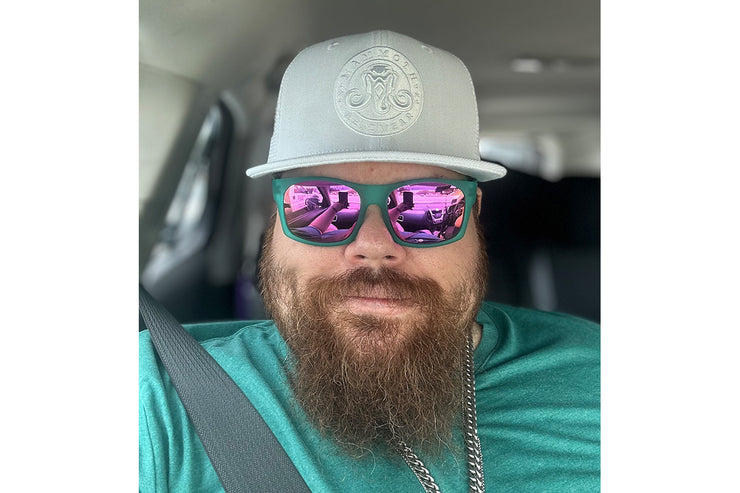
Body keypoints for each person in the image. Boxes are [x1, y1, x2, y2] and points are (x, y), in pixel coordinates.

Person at [140, 30, 599, 492]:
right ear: (273, 216)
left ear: (474, 216)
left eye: (427, 206)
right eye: (320, 203)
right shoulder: (157, 402)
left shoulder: (596, 379)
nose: (374, 245)